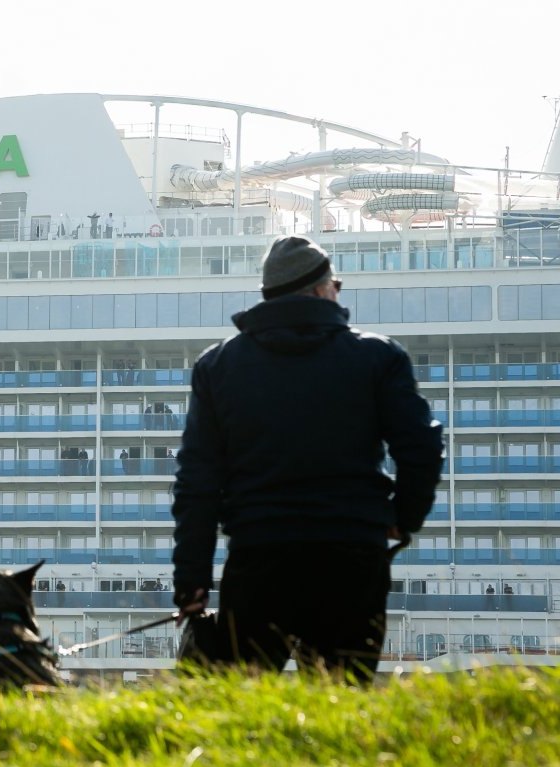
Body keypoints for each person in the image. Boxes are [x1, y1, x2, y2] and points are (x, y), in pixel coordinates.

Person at [172, 235, 444, 683]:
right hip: (351, 557)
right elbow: (422, 447)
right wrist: (402, 517)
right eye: (336, 283)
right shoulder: (378, 356)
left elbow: (197, 483)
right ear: (320, 290)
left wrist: (192, 583)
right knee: (341, 699)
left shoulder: (218, 365)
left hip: (259, 559)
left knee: (244, 708)